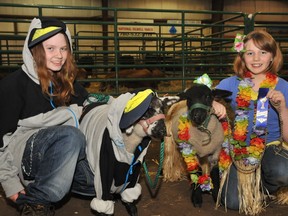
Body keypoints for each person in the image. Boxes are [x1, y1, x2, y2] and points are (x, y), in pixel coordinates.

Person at [0, 17, 93, 216]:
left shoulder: (66, 83)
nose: (59, 55)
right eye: (50, 48)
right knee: (71, 135)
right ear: (35, 50)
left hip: (60, 154)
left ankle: (45, 191)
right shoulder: (13, 86)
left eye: (63, 49)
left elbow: (90, 103)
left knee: (97, 183)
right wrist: (11, 185)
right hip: (24, 157)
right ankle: (35, 203)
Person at [214, 30, 288, 215]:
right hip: (238, 149)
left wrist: (282, 109)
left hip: (270, 144)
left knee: (283, 172)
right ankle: (247, 183)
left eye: (263, 52)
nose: (256, 58)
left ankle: (264, 186)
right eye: (250, 53)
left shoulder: (284, 87)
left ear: (272, 56)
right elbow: (200, 96)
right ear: (242, 57)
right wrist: (213, 102)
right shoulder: (231, 83)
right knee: (231, 202)